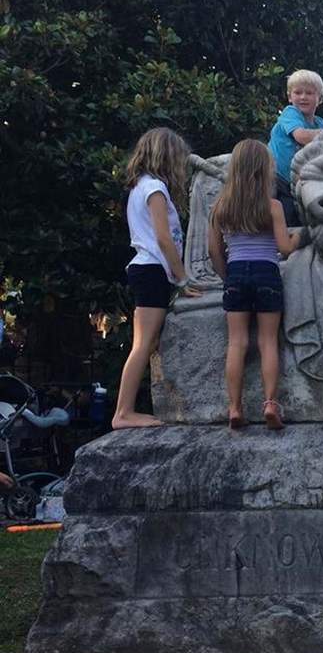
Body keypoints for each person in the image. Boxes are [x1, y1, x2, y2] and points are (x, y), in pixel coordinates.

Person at [208, 140, 301, 431]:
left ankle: (235, 408)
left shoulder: (220, 207)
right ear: (265, 170)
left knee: (237, 343)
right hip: (266, 274)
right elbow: (285, 247)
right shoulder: (272, 206)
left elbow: (213, 251)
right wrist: (303, 237)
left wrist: (228, 278)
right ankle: (270, 404)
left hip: (236, 273)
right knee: (267, 341)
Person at [112, 128, 200, 430]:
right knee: (143, 343)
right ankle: (123, 412)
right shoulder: (154, 190)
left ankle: (127, 409)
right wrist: (182, 278)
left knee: (146, 343)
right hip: (151, 270)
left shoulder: (142, 187)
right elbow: (163, 238)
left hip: (147, 270)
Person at [267, 69, 323, 227]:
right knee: (286, 215)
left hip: (300, 182)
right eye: (298, 92)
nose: (303, 97)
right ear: (289, 97)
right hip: (278, 179)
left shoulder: (319, 123)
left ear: (320, 98)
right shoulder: (290, 113)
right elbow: (301, 136)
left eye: (309, 93)